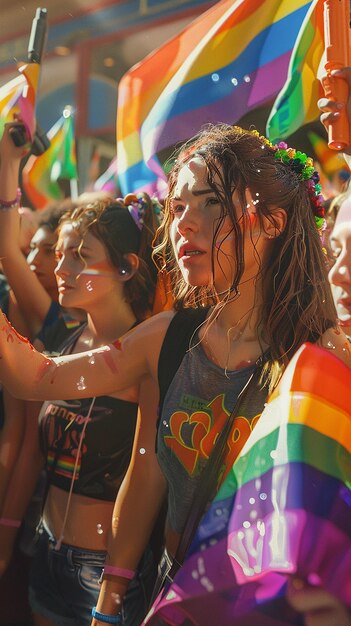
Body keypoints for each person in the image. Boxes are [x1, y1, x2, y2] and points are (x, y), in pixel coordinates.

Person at [0, 124, 350, 626]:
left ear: (271, 221)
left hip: (267, 609)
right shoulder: (167, 337)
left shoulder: (324, 360)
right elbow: (35, 378)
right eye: (179, 206)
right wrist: (109, 605)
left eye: (208, 202)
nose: (184, 223)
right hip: (169, 598)